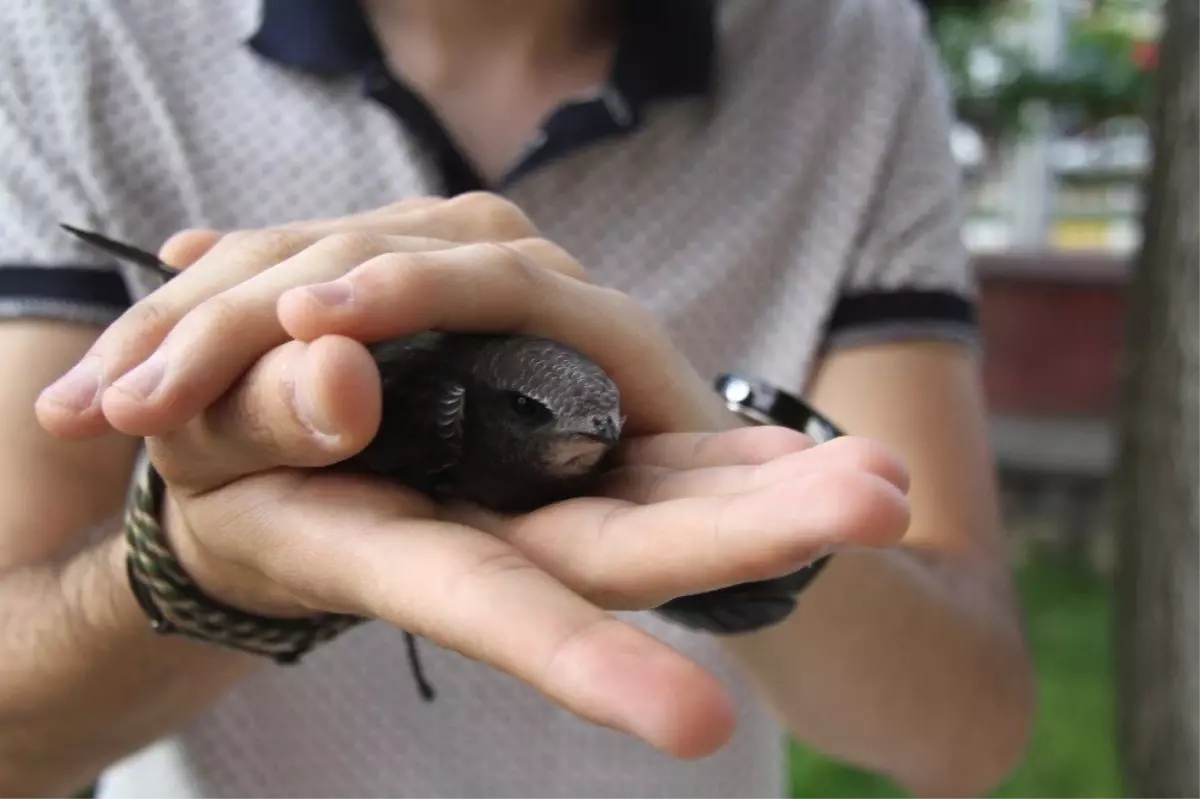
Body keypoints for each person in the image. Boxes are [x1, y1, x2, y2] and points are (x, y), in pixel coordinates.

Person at [0, 1, 1035, 797]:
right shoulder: (82, 32)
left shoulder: (847, 50)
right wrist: (204, 571)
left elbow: (968, 727)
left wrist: (746, 512)